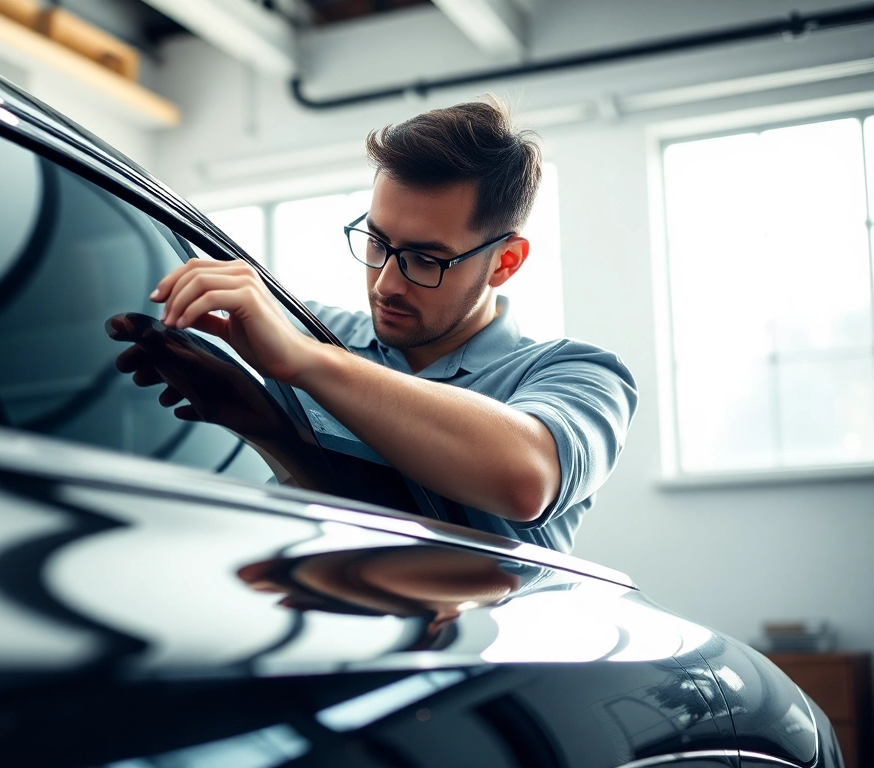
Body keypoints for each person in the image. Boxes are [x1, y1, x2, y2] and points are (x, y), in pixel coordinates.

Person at [138, 99, 636, 554]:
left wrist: (307, 361)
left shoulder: (579, 373)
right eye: (376, 243)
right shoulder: (303, 326)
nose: (387, 283)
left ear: (505, 261)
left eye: (424, 259)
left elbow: (526, 480)